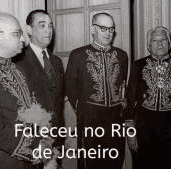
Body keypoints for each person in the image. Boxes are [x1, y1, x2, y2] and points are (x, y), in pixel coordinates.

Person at [0, 12, 53, 169]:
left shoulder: (17, 68)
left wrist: (44, 140)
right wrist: (35, 148)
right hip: (2, 159)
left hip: (28, 158)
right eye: (17, 34)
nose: (22, 39)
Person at [65, 12, 128, 169]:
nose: (108, 33)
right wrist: (81, 107)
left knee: (114, 160)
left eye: (111, 29)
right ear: (93, 29)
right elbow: (70, 85)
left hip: (115, 120)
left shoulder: (122, 55)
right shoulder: (78, 54)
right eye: (103, 28)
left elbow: (123, 85)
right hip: (89, 119)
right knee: (90, 162)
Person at [124, 26, 171, 169]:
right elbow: (129, 100)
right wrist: (130, 132)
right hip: (143, 129)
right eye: (155, 41)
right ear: (148, 46)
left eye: (163, 40)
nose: (160, 44)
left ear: (170, 43)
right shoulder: (138, 65)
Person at [11, 9, 65, 168]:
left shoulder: (57, 62)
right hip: (33, 142)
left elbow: (58, 101)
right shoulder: (18, 61)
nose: (48, 31)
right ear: (29, 30)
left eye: (50, 26)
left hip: (56, 138)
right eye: (42, 26)